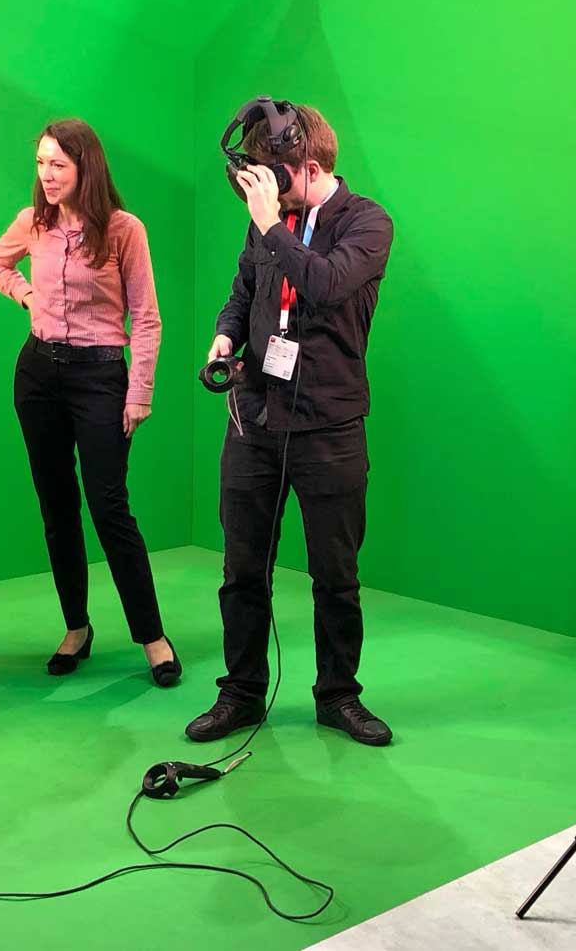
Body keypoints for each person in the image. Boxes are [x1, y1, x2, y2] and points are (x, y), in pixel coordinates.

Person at [184, 101, 396, 747]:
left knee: (336, 576)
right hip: (254, 419)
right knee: (242, 570)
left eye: (273, 173)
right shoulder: (265, 226)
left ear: (307, 165)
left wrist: (271, 224)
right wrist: (225, 335)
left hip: (330, 426)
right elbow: (244, 291)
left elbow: (325, 284)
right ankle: (241, 692)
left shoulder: (367, 223)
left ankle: (339, 696)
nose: (264, 187)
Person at [0, 120, 178, 685]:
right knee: (57, 506)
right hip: (37, 375)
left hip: (100, 378)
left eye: (58, 164)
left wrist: (139, 392)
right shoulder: (33, 222)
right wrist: (26, 295)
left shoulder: (124, 229)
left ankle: (153, 637)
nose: (46, 175)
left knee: (109, 507)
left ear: (84, 167)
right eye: (40, 163)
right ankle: (76, 627)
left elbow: (147, 318)